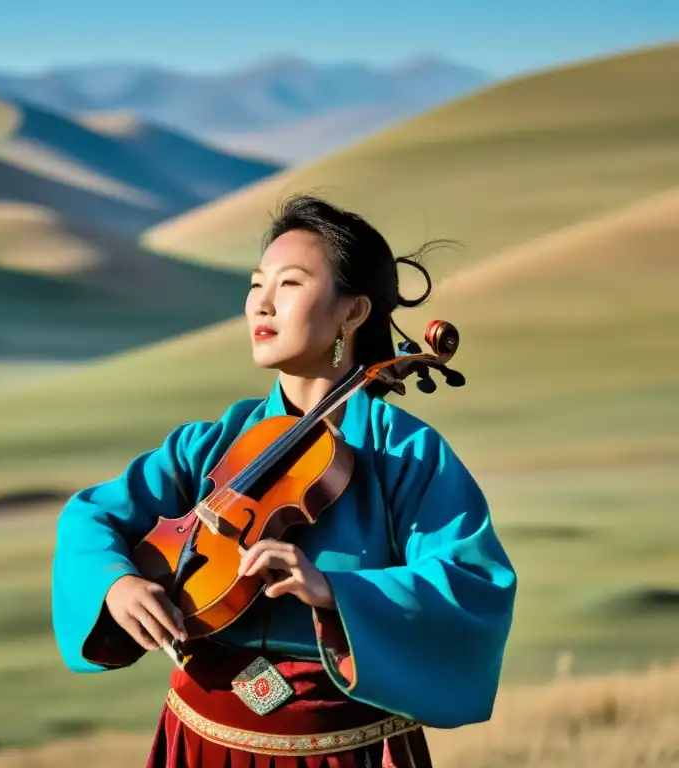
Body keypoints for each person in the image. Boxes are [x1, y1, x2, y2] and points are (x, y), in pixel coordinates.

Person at [51, 194, 517, 767]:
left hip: (345, 753)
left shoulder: (406, 454)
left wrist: (335, 592)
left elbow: (474, 585)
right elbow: (91, 517)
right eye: (255, 284)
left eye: (290, 284)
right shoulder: (213, 443)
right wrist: (115, 584)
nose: (261, 304)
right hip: (201, 744)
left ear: (352, 313)